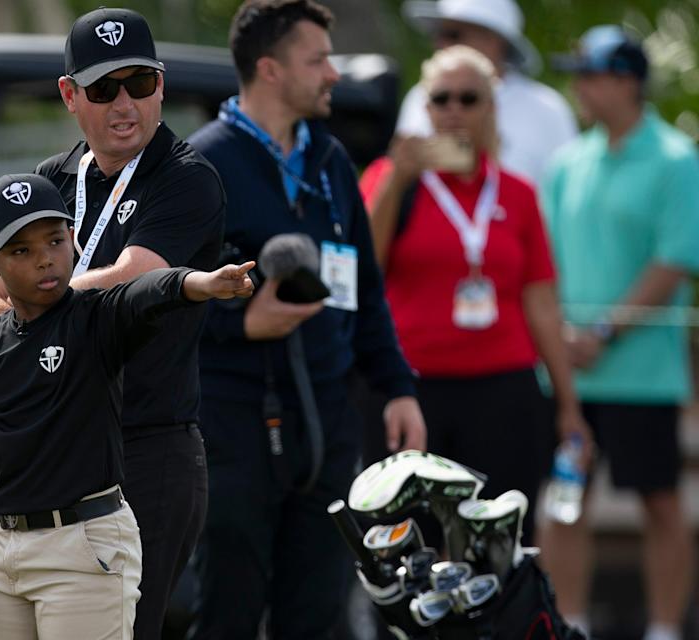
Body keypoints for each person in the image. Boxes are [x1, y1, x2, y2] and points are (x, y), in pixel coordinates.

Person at [0, 8, 225, 638]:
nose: (125, 103)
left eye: (141, 83)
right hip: (45, 457)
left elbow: (135, 280)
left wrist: (28, 303)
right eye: (105, 89)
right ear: (70, 95)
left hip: (145, 449)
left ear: (160, 84)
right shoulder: (52, 180)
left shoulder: (187, 179)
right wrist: (63, 306)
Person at [186, 1, 427, 637]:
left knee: (318, 621)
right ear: (270, 69)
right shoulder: (198, 168)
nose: (333, 74)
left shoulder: (332, 162)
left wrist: (398, 387)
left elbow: (366, 294)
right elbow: (157, 302)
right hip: (232, 431)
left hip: (327, 430)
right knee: (227, 615)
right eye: (317, 59)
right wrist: (241, 324)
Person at [0, 172, 253, 640]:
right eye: (21, 250)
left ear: (74, 240)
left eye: (55, 240)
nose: (45, 259)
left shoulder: (97, 317)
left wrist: (200, 283)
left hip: (82, 549)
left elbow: (148, 291)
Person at [358, 45, 589, 546]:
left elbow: (542, 303)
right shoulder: (389, 178)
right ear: (426, 108)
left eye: (470, 98)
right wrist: (398, 179)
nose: (454, 110)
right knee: (406, 544)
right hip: (410, 390)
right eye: (441, 99)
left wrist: (569, 405)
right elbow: (363, 271)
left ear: (491, 108)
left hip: (503, 392)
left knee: (498, 546)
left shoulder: (518, 192)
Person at [540, 26, 699, 640]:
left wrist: (602, 330)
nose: (578, 85)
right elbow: (544, 264)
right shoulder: (567, 162)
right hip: (570, 374)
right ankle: (566, 624)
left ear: (628, 82)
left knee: (660, 503)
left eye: (591, 73)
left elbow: (675, 260)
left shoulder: (676, 159)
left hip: (644, 375)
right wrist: (563, 337)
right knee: (564, 500)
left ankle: (663, 629)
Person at [396, 0, 576, 185]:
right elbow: (405, 171)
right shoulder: (420, 96)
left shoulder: (547, 109)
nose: (440, 43)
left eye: (452, 35)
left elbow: (569, 188)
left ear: (492, 40)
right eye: (438, 34)